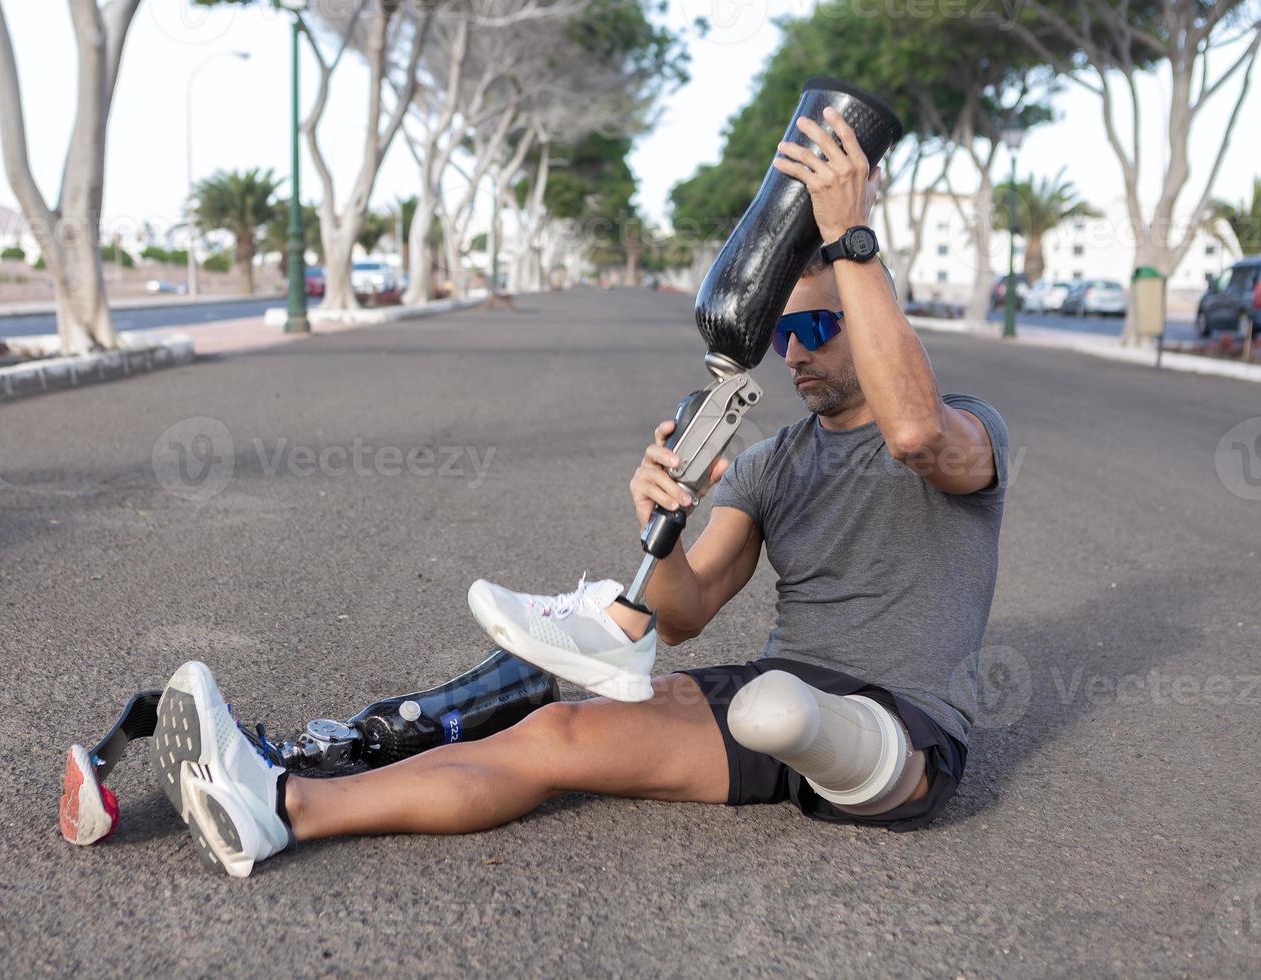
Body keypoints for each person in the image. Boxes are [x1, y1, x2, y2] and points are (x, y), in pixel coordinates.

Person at [152, 107, 1009, 877]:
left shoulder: (969, 428)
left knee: (787, 715)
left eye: (820, 327)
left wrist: (852, 235)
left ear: (874, 317)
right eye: (784, 332)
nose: (795, 354)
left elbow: (915, 434)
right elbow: (684, 613)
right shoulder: (772, 461)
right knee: (552, 732)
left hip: (902, 730)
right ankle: (282, 806)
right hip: (763, 698)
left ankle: (826, 738)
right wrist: (662, 526)